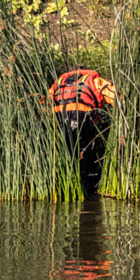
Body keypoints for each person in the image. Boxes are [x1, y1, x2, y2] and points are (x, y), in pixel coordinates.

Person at [49, 67, 116, 195]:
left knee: (66, 153)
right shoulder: (94, 80)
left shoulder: (59, 82)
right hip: (81, 118)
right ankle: (87, 187)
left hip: (58, 119)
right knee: (86, 152)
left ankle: (67, 186)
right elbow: (115, 97)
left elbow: (44, 101)